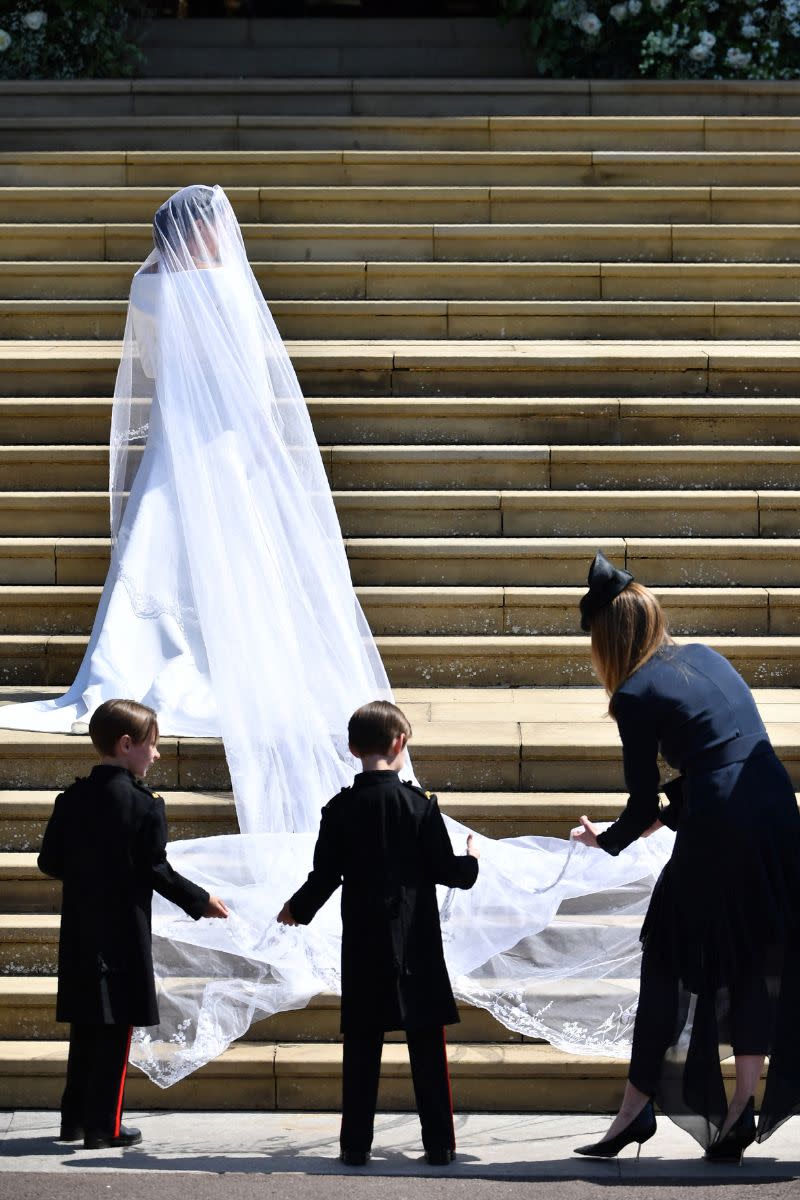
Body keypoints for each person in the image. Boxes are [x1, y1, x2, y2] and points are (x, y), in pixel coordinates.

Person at [570, 551, 800, 1161]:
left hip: (724, 821)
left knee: (667, 953)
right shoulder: (703, 655)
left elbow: (645, 799)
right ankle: (738, 1109)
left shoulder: (634, 694)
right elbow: (720, 754)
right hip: (775, 807)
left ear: (607, 638)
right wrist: (659, 821)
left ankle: (635, 1108)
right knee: (748, 953)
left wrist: (609, 839)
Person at [277, 700, 480, 1167]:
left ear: (352, 748)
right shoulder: (420, 805)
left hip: (364, 942)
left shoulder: (339, 808)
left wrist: (296, 909)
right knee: (427, 1046)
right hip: (416, 943)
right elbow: (447, 872)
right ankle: (439, 1146)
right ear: (400, 743)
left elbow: (324, 875)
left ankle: (354, 1146)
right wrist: (472, 860)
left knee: (363, 1047)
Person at [37, 698, 229, 1149]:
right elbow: (155, 869)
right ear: (127, 745)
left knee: (86, 1026)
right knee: (116, 1028)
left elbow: (50, 862)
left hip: (82, 932)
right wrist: (200, 901)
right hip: (122, 932)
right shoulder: (144, 805)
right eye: (152, 745)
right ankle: (107, 1125)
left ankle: (75, 1120)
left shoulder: (72, 798)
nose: (157, 754)